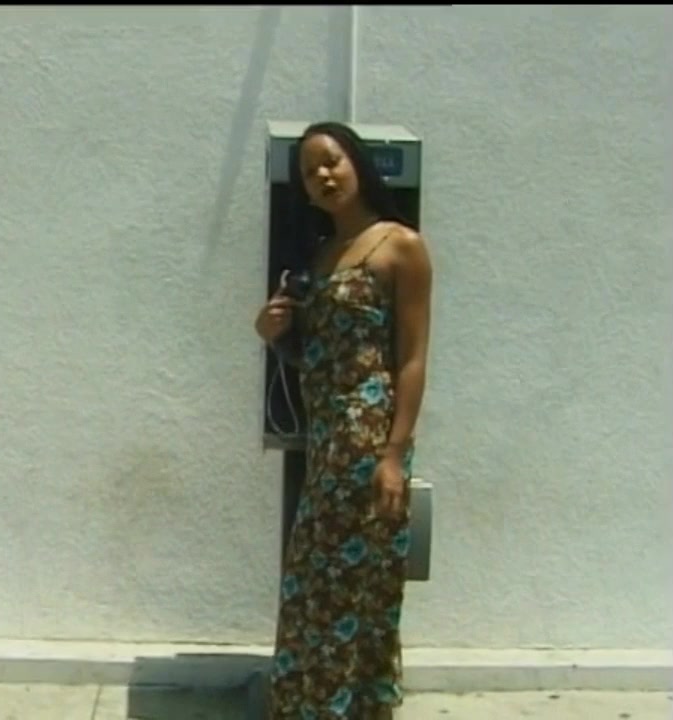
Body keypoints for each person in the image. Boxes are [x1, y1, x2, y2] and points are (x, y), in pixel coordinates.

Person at [254, 121, 433, 719]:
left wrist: (394, 455)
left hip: (369, 440)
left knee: (349, 591)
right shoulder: (323, 255)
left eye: (331, 161)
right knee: (314, 586)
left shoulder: (400, 246)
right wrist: (275, 333)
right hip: (328, 441)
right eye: (310, 172)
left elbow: (411, 358)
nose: (323, 176)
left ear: (357, 163)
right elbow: (322, 354)